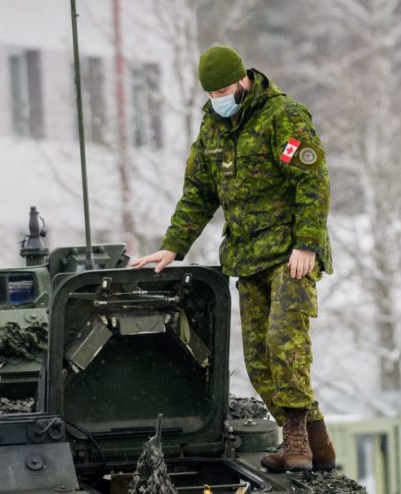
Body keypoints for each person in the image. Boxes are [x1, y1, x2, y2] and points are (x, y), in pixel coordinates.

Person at [131, 45, 335, 472]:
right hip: (247, 257)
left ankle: (296, 439)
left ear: (243, 81)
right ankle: (316, 441)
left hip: (289, 253)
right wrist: (173, 245)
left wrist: (307, 244)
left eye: (223, 90)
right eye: (210, 93)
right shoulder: (211, 130)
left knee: (285, 344)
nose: (217, 99)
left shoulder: (283, 116)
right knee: (258, 361)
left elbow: (312, 182)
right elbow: (198, 195)